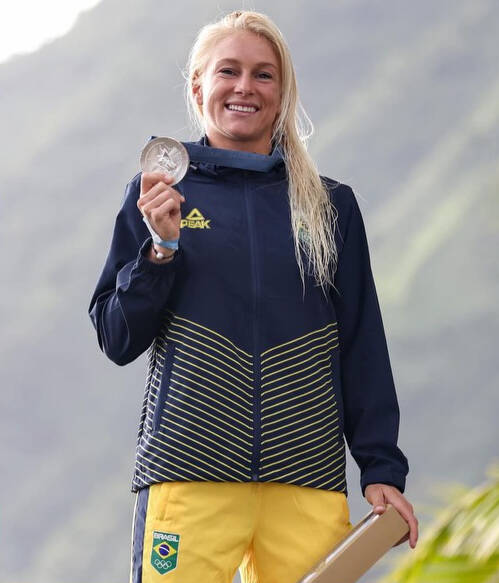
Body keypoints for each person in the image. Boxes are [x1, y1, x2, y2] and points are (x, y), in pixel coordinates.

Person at [88, 9, 418, 583]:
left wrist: (381, 467)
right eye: (229, 71)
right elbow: (117, 337)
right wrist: (161, 250)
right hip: (190, 472)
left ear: (282, 91)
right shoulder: (157, 196)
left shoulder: (329, 207)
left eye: (264, 75)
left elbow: (362, 342)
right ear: (199, 86)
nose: (245, 87)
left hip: (307, 479)